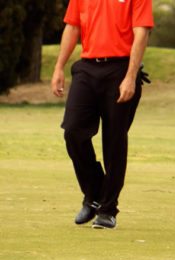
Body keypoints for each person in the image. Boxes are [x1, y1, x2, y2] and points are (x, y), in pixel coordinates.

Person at [51, 0, 154, 229]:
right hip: (87, 68)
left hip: (121, 68)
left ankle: (108, 209)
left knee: (114, 141)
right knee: (73, 132)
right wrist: (59, 66)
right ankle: (94, 193)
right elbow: (72, 27)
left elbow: (141, 33)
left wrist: (130, 76)